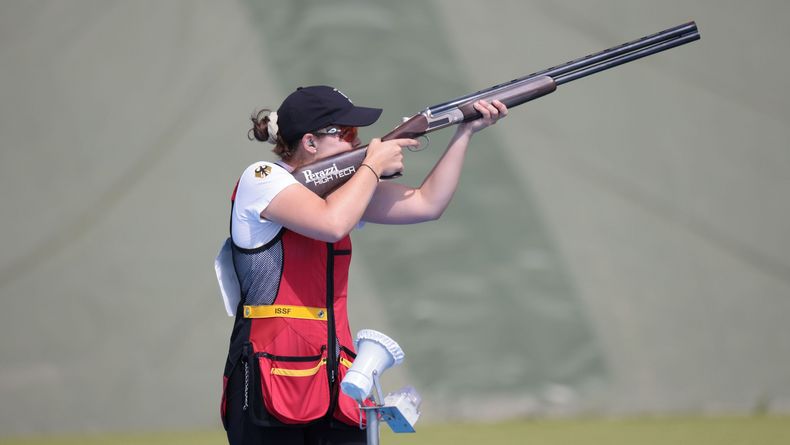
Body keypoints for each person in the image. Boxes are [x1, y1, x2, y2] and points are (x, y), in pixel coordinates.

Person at [218, 85, 506, 445]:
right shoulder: (262, 178)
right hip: (269, 379)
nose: (359, 143)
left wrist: (465, 133)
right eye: (348, 134)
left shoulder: (342, 190)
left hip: (334, 380)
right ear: (310, 142)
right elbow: (331, 224)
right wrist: (372, 166)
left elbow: (427, 204)